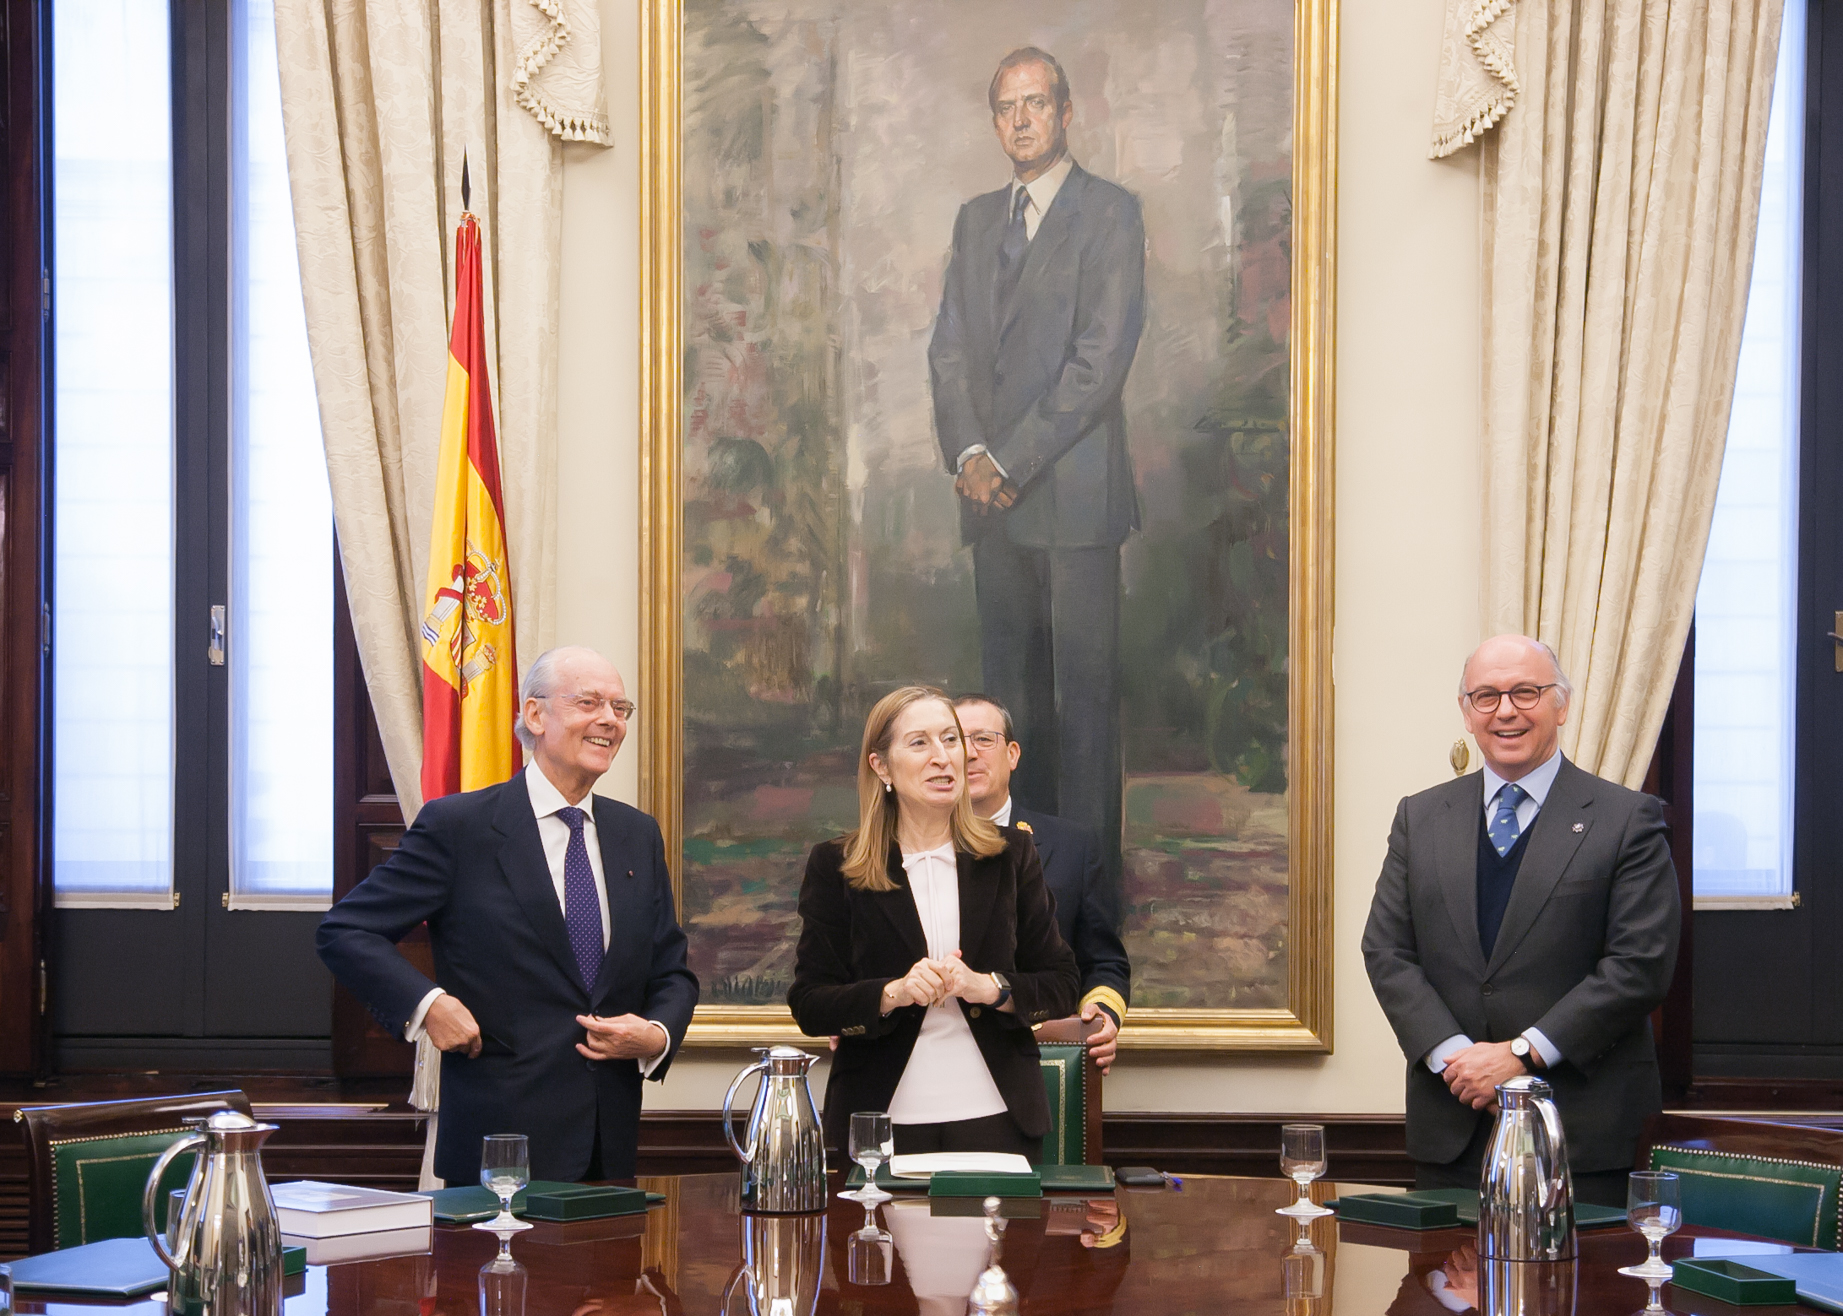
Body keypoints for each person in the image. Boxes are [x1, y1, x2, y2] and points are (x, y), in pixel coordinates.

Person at [317, 646, 699, 1183]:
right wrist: (429, 1006)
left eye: (620, 708)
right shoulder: (460, 827)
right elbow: (346, 930)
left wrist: (657, 1034)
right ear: (536, 715)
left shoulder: (637, 834)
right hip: (499, 1151)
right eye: (589, 702)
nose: (609, 721)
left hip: (606, 1148)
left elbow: (671, 968)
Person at [1361, 635, 1681, 1206]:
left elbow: (1640, 966)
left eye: (1525, 692)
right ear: (1466, 712)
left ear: (1561, 704)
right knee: (1447, 1292)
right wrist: (1457, 1058)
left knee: (1578, 1296)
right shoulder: (1420, 816)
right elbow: (1387, 951)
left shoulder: (1627, 818)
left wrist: (1518, 1055)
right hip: (1453, 1130)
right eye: (1486, 696)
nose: (1506, 710)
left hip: (1583, 1137)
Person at [928, 46, 1146, 874]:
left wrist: (1007, 459)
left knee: (1082, 712)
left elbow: (1099, 360)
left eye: (1036, 103)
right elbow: (947, 352)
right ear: (995, 122)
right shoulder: (975, 218)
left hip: (1076, 499)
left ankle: (1086, 902)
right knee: (1006, 716)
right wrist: (971, 455)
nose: (1020, 119)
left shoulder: (1111, 213)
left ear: (1064, 113)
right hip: (993, 503)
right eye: (1006, 107)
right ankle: (1010, 889)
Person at [788, 685, 1079, 1161]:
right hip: (878, 1122)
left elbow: (1063, 982)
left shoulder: (1009, 854)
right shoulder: (835, 865)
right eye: (920, 743)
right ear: (880, 766)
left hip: (998, 1115)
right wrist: (892, 994)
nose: (944, 757)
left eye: (950, 740)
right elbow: (810, 1003)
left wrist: (990, 987)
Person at [955, 693, 1130, 1072]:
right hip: (940, 1058)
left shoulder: (1073, 846)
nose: (969, 753)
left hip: (1043, 1062)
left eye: (984, 739)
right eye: (955, 740)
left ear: (1013, 754)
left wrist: (1102, 1015)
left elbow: (1103, 961)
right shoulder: (909, 851)